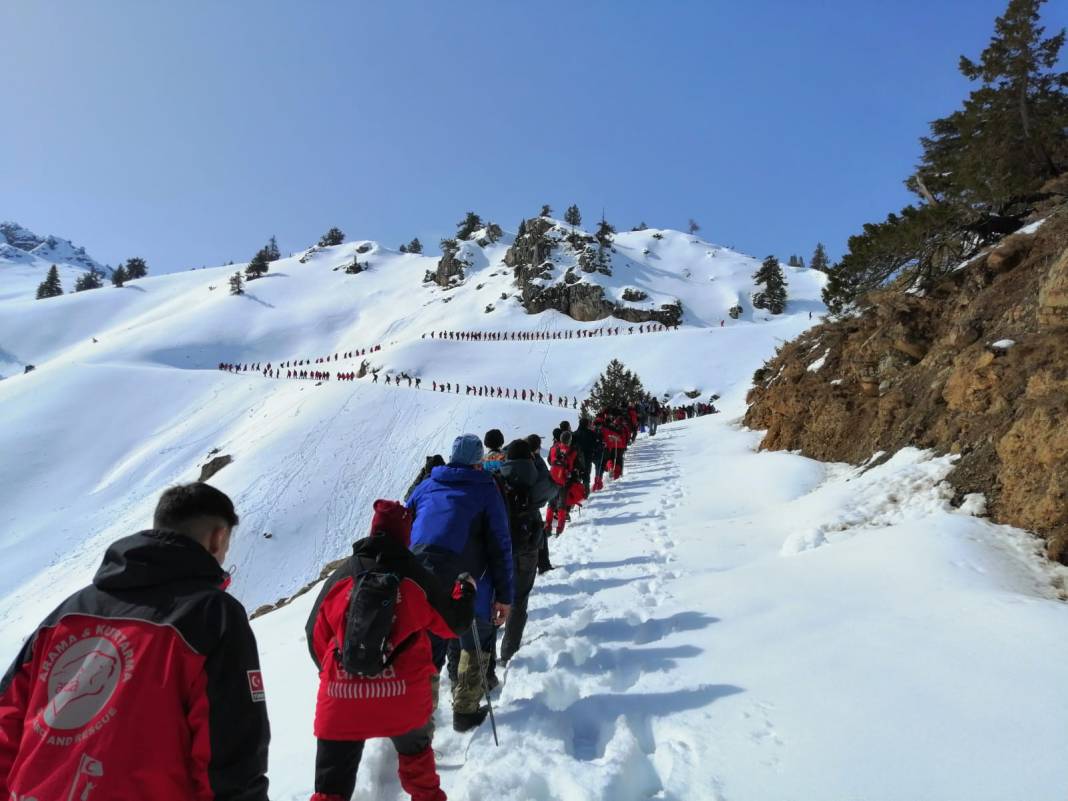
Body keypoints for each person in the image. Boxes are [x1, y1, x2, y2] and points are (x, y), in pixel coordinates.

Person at [0, 483, 270, 801]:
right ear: (218, 538)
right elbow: (230, 756)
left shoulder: (68, 613)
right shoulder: (212, 616)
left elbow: (7, 719)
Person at [305, 500, 476, 801]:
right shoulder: (415, 577)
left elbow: (314, 635)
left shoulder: (343, 575)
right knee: (421, 776)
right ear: (405, 535)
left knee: (330, 791)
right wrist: (466, 592)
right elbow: (454, 625)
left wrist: (340, 671)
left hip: (341, 698)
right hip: (404, 697)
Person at [407, 436, 514, 733]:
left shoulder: (426, 486)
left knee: (428, 652)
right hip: (469, 586)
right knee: (474, 642)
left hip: (423, 585)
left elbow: (406, 525)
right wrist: (504, 596)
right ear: (478, 461)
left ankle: (420, 725)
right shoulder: (486, 489)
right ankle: (465, 710)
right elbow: (500, 545)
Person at [497, 439, 554, 664]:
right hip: (529, 545)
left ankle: (486, 654)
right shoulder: (536, 477)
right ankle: (508, 651)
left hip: (500, 545)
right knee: (519, 599)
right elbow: (551, 488)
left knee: (495, 597)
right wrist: (537, 461)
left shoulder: (499, 478)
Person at [525, 434, 555, 573]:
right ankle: (543, 564)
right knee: (539, 533)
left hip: (511, 504)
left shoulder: (514, 456)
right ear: (537, 448)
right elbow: (546, 481)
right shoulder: (536, 460)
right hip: (531, 504)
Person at [545, 431, 581, 536]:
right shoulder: (572, 451)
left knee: (551, 504)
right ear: (569, 441)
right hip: (564, 481)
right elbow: (575, 466)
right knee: (562, 505)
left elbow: (549, 460)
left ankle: (547, 526)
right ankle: (560, 529)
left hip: (552, 479)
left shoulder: (553, 448)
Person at [571, 418, 598, 496]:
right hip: (587, 458)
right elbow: (595, 445)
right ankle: (586, 492)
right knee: (586, 475)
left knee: (577, 476)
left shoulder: (574, 434)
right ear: (587, 424)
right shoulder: (591, 433)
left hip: (576, 459)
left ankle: (577, 494)